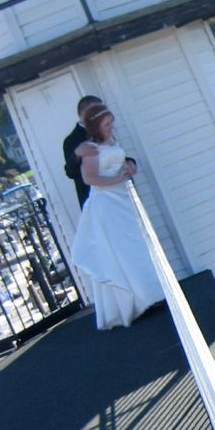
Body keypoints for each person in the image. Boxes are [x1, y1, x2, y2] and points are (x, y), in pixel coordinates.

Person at [69, 102, 163, 329]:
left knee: (137, 244)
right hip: (107, 203)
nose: (111, 127)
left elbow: (120, 159)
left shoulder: (111, 141)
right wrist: (115, 180)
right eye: (107, 124)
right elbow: (89, 178)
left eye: (111, 123)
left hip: (123, 198)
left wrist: (129, 166)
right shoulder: (88, 149)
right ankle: (134, 299)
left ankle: (151, 291)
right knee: (121, 249)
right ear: (96, 126)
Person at [63, 95, 102, 208]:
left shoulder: (105, 131)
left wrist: (129, 162)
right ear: (83, 114)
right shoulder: (72, 140)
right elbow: (70, 172)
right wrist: (77, 154)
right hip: (94, 198)